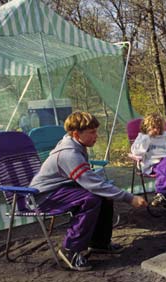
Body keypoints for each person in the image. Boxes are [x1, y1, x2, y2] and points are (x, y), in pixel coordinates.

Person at [29, 111, 147, 271]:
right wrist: (129, 198)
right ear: (76, 134)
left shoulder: (76, 146)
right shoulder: (69, 154)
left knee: (103, 196)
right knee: (91, 199)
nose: (96, 136)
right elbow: (93, 185)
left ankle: (99, 243)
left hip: (61, 190)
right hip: (44, 197)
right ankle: (70, 249)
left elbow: (93, 184)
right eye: (92, 132)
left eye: (96, 131)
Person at [130, 113, 166, 211]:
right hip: (151, 163)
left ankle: (162, 197)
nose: (157, 130)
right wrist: (147, 137)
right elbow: (135, 151)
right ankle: (164, 196)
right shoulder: (142, 137)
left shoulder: (165, 137)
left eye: (159, 128)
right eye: (154, 127)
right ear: (146, 127)